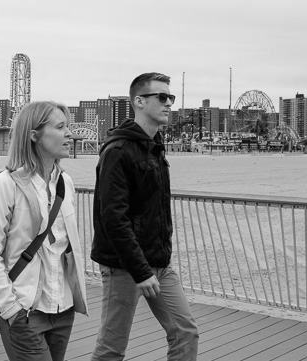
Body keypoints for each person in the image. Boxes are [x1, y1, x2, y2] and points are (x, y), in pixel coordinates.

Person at [91, 72, 199, 360]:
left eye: (170, 97)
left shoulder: (155, 146)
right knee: (112, 348)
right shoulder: (118, 151)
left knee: (185, 331)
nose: (169, 104)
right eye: (161, 97)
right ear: (139, 101)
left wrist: (156, 262)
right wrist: (140, 270)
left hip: (159, 263)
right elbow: (113, 218)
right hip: (124, 266)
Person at [0, 101, 88, 361]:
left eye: (68, 126)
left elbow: (66, 245)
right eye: (61, 127)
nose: (69, 134)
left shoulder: (66, 183)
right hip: (25, 309)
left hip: (63, 308)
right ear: (34, 136)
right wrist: (9, 307)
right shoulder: (5, 185)